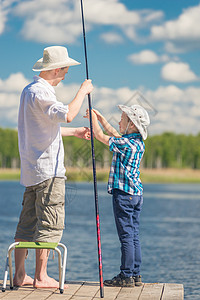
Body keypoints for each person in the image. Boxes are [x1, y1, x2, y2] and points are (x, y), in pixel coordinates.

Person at [14, 46, 93, 289]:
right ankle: (41, 277)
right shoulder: (44, 93)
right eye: (66, 71)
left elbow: (45, 128)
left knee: (27, 224)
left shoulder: (29, 91)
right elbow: (67, 114)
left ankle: (19, 276)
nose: (66, 75)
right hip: (49, 172)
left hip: (31, 172)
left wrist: (75, 132)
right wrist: (83, 91)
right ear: (56, 70)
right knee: (50, 223)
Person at [85, 104, 150, 287]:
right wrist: (99, 118)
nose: (119, 121)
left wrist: (92, 121)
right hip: (136, 194)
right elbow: (114, 133)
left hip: (124, 195)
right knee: (134, 234)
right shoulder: (136, 143)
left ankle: (126, 275)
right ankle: (135, 274)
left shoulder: (125, 144)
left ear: (131, 125)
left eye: (123, 119)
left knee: (126, 236)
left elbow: (100, 137)